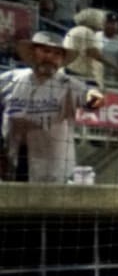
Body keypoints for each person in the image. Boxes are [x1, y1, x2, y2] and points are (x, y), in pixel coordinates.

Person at [1, 32, 104, 183]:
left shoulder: (68, 84)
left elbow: (92, 96)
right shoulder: (11, 79)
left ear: (62, 59)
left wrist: (94, 98)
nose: (51, 57)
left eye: (57, 53)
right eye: (46, 51)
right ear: (32, 52)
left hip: (53, 168)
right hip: (13, 162)